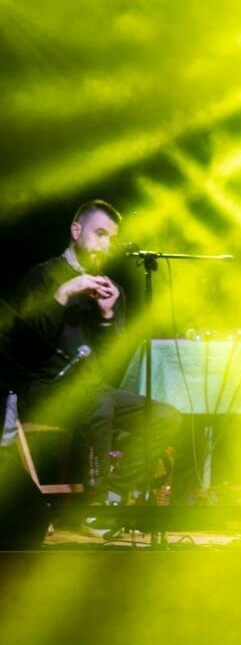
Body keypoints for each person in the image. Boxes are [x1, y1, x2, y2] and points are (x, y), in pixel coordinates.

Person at [11, 200, 182, 510]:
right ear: (76, 230)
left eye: (111, 239)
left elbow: (107, 366)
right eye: (99, 234)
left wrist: (105, 317)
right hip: (42, 389)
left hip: (91, 391)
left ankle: (113, 496)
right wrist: (63, 294)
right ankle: (93, 506)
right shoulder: (43, 276)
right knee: (99, 403)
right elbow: (25, 344)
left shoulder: (111, 290)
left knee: (165, 415)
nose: (105, 246)